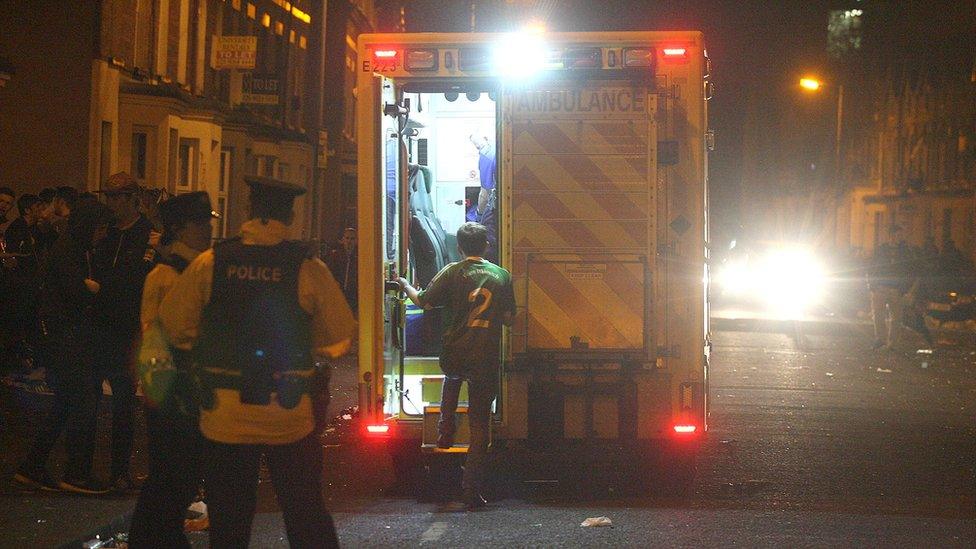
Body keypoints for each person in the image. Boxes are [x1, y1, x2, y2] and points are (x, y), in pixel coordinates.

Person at [159, 176, 356, 548]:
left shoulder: (212, 262)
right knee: (304, 510)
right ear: (290, 215)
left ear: (249, 211)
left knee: (230, 519)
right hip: (288, 411)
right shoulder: (306, 267)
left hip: (224, 414)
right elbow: (340, 334)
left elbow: (174, 325)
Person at [397, 222, 515, 510]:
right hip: (485, 356)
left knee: (452, 376)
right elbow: (510, 319)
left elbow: (423, 302)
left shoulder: (452, 272)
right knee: (479, 427)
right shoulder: (502, 275)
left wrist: (403, 284)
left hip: (455, 351)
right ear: (486, 245)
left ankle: (445, 428)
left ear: (459, 248)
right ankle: (471, 490)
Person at [129, 191, 218, 549]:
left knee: (181, 476)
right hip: (171, 392)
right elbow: (153, 334)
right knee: (171, 475)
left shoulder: (196, 268)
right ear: (180, 228)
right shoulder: (165, 274)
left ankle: (158, 538)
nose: (208, 229)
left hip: (188, 388)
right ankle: (151, 539)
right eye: (200, 223)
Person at [15, 197, 114, 494]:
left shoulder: (75, 247)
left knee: (67, 402)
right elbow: (76, 293)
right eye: (100, 228)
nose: (103, 234)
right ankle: (76, 473)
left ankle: (34, 465)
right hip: (66, 338)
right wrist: (92, 290)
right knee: (82, 399)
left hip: (66, 337)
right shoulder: (70, 250)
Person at [92, 171, 156, 491]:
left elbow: (139, 280)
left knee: (124, 402)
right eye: (109, 197)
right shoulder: (106, 233)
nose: (112, 204)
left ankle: (120, 469)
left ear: (133, 199)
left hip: (129, 328)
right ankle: (87, 467)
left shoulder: (147, 235)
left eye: (117, 197)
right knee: (90, 397)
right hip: (102, 325)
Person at [469, 134, 498, 263]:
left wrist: (479, 217)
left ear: (485, 138)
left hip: (493, 210)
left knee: (489, 251)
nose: (478, 149)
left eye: (477, 145)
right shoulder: (498, 149)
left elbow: (485, 192)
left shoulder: (486, 155)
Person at [324, 227, 358, 314]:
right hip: (338, 294)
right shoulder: (335, 256)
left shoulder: (359, 259)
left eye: (352, 239)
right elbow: (328, 274)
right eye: (347, 238)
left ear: (356, 241)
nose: (349, 241)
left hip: (353, 296)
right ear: (342, 240)